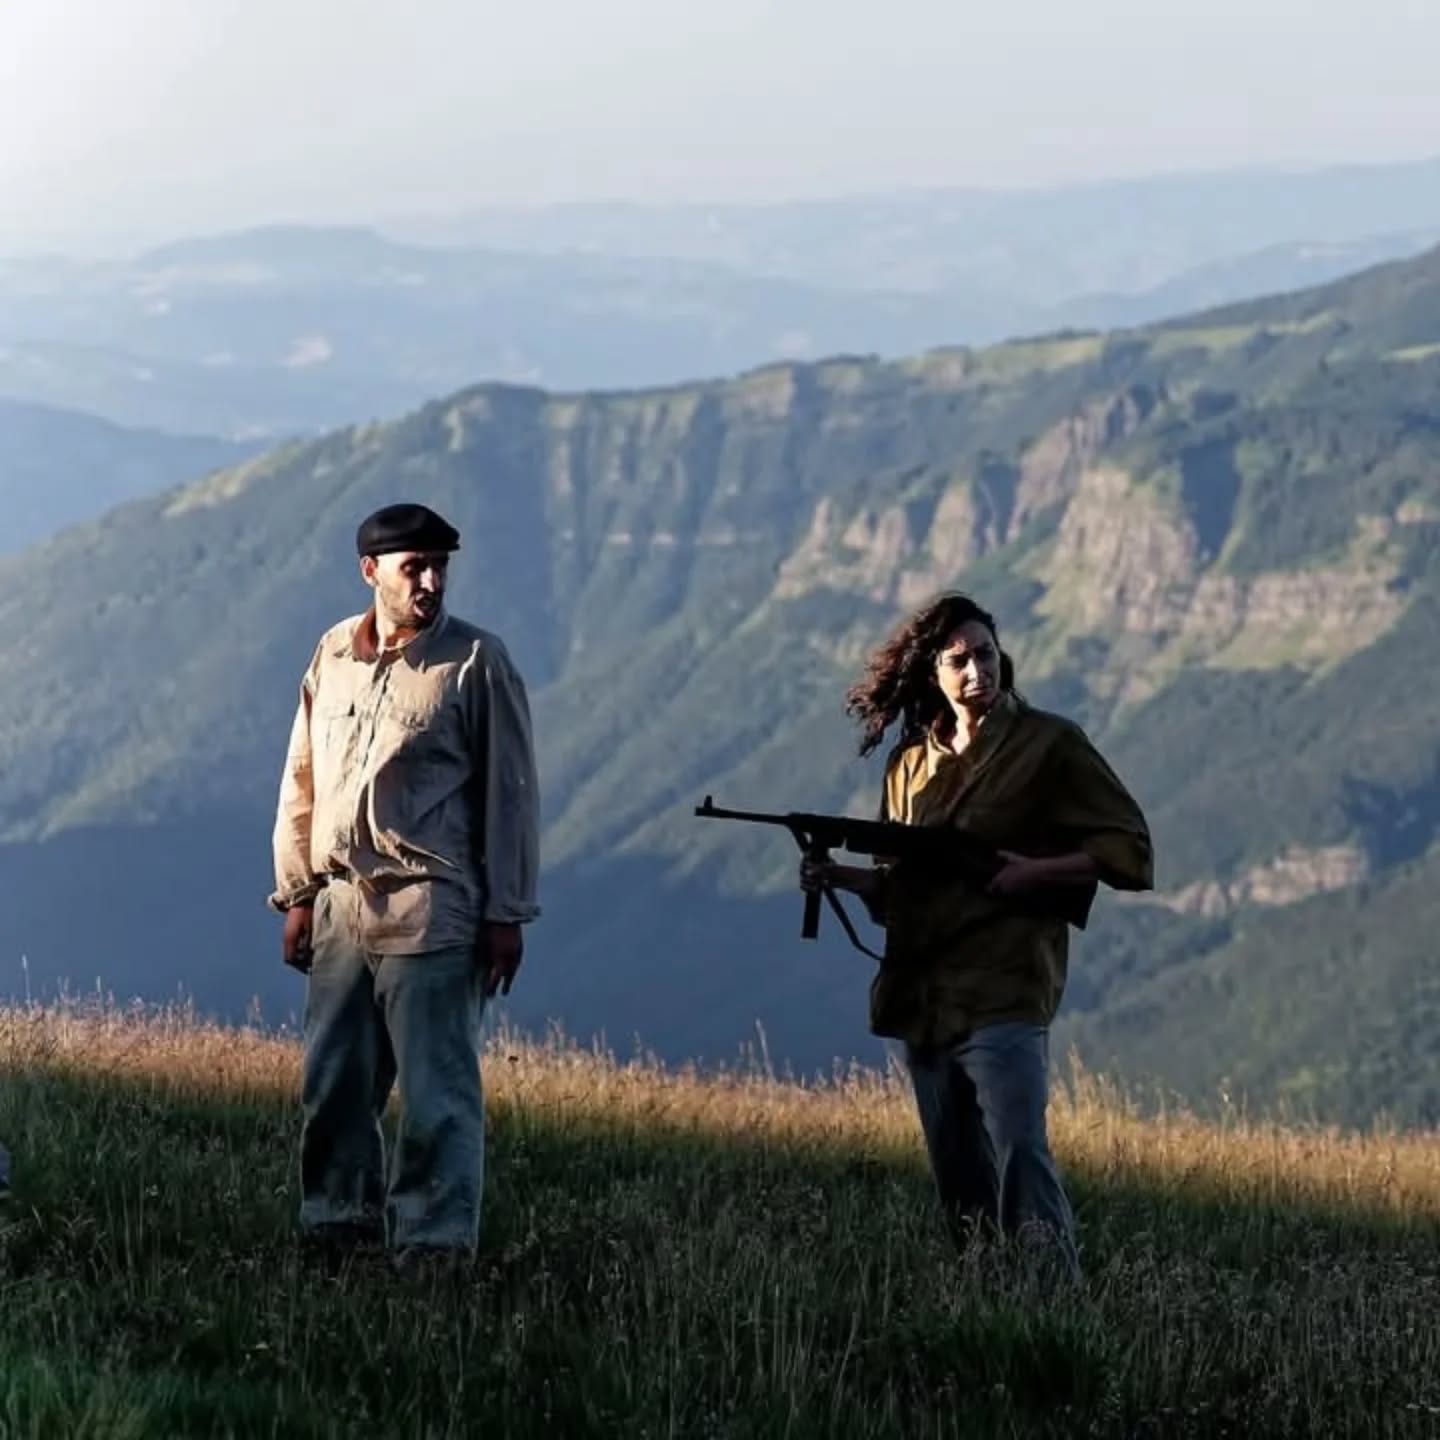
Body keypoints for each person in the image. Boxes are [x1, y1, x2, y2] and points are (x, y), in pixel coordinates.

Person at [800, 592, 1152, 1279]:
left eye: (985, 656)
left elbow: (1130, 849)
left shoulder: (1051, 745)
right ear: (933, 671)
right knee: (957, 1170)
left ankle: (1056, 1305)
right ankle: (984, 1301)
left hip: (1006, 986)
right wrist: (840, 878)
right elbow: (898, 894)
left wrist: (1036, 874)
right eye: (958, 660)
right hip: (923, 996)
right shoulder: (909, 767)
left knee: (1021, 1150)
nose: (975, 672)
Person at [269, 501, 541, 1265]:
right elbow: (303, 776)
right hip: (340, 906)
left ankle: (434, 1252)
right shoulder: (333, 654)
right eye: (413, 567)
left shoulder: (477, 662)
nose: (430, 581)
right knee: (334, 1091)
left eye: (439, 566)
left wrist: (507, 913)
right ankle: (335, 1234)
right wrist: (297, 893)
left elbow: (510, 795)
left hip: (433, 910)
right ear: (371, 572)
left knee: (437, 1100)